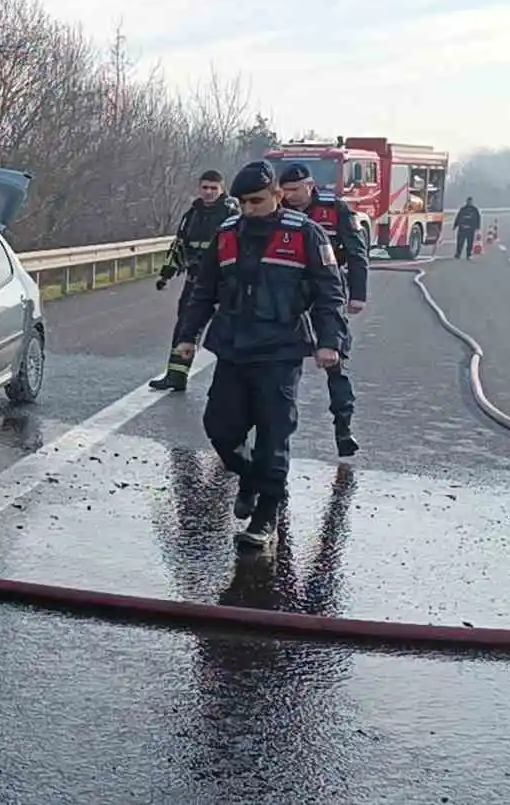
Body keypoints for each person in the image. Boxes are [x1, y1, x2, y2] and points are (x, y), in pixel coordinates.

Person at [174, 161, 348, 551]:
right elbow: (203, 291)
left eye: (256, 200)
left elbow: (329, 294)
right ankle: (251, 478)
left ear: (277, 195)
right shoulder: (226, 236)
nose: (249, 209)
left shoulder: (306, 234)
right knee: (220, 428)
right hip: (233, 347)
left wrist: (329, 341)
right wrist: (188, 336)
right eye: (243, 202)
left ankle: (266, 514)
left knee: (273, 435)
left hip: (280, 350)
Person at [280, 162, 368, 457]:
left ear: (310, 185)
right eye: (285, 190)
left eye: (295, 189)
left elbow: (357, 252)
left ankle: (344, 429)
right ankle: (274, 434)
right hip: (288, 293)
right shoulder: (277, 211)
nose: (289, 196)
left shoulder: (335, 210)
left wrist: (358, 294)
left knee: (334, 362)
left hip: (327, 291)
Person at [149, 170, 238, 392]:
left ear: (222, 189)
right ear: (199, 188)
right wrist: (166, 274)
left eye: (213, 188)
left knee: (232, 329)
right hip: (197, 280)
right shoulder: (192, 214)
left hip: (225, 280)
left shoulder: (231, 213)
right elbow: (179, 246)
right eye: (205, 187)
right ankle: (176, 375)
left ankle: (236, 385)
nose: (208, 192)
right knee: (185, 327)